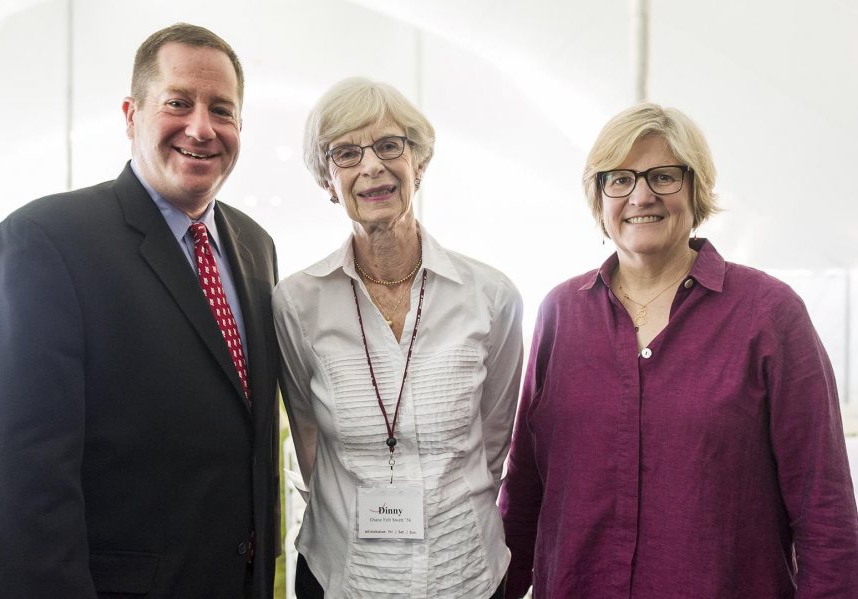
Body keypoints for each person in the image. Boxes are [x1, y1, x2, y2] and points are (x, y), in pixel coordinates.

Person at [0, 23, 280, 598]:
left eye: (222, 110)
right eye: (178, 103)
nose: (201, 128)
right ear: (132, 115)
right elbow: (16, 484)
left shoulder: (256, 246)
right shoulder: (43, 241)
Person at [498, 103, 858, 598]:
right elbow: (525, 488)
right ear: (599, 197)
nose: (641, 195)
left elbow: (824, 505)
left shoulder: (768, 314)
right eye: (619, 179)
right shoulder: (561, 313)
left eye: (663, 176)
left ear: (696, 189)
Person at [273, 77, 524, 598]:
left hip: (465, 574)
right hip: (346, 575)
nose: (371, 167)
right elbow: (310, 441)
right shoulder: (297, 303)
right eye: (346, 153)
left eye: (390, 145)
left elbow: (494, 441)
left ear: (420, 162)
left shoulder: (491, 297)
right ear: (327, 180)